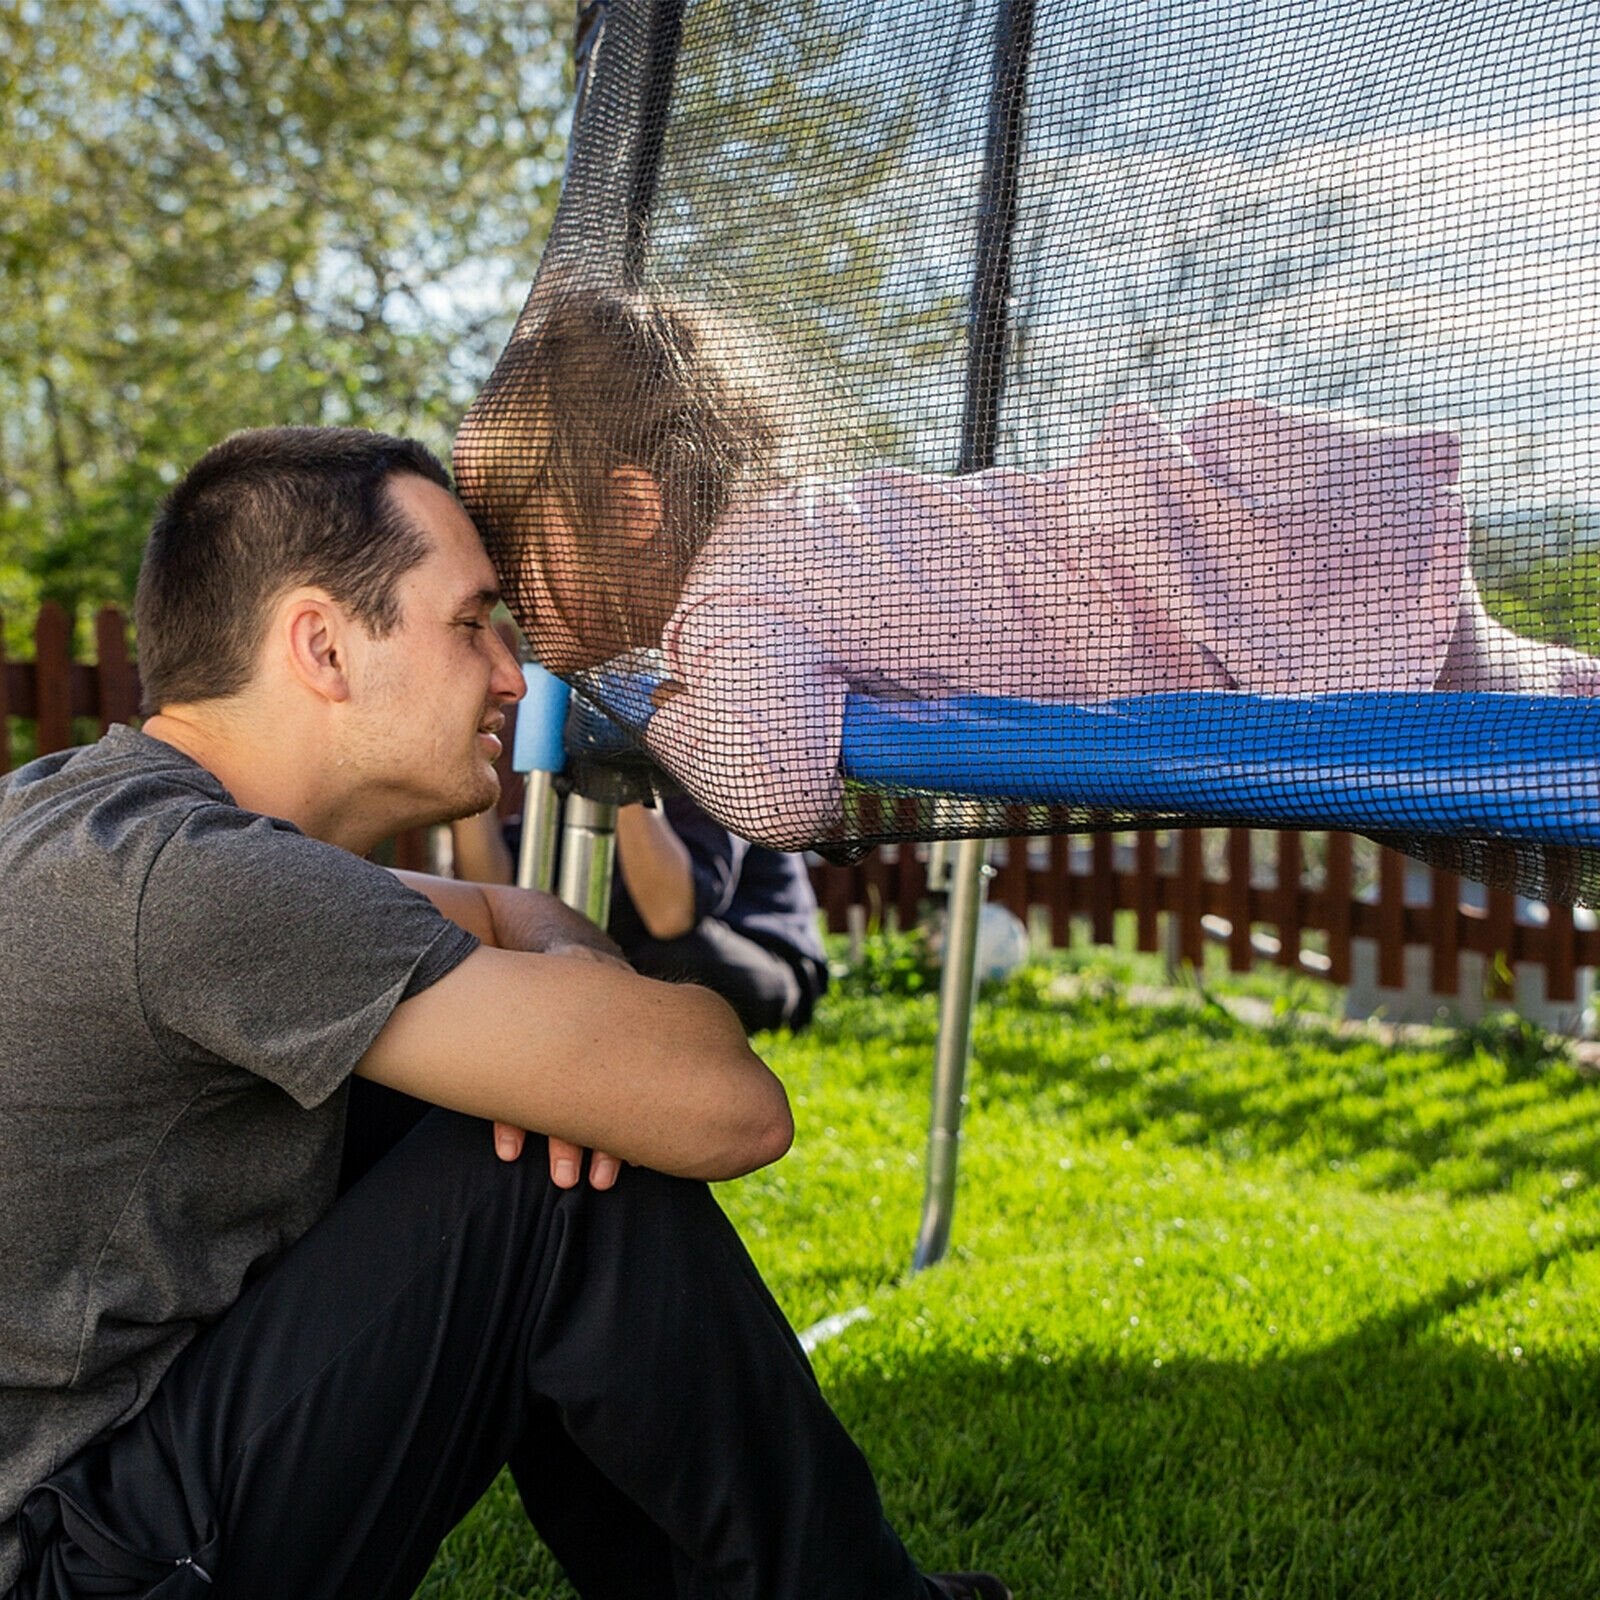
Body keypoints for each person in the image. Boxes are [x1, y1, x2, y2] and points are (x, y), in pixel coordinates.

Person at [0, 427, 1010, 1600]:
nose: (513, 676)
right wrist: (581, 1066)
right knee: (545, 1181)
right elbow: (730, 1106)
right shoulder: (201, 884)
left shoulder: (87, 815)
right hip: (67, 1562)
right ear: (322, 644)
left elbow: (503, 904)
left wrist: (562, 1034)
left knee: (511, 1126)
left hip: (88, 1512)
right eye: (471, 621)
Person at [453, 286, 1600, 850]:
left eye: (515, 542)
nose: (502, 577)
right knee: (1534, 692)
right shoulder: (790, 530)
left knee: (1517, 717)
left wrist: (661, 714)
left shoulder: (732, 600)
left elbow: (779, 794)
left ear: (633, 509)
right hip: (1223, 540)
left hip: (1237, 587)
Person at [452, 791, 829, 1034]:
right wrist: (469, 787)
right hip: (641, 951)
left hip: (759, 962)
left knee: (661, 955)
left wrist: (623, 779)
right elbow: (504, 897)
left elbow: (670, 915)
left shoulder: (717, 765)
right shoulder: (560, 772)